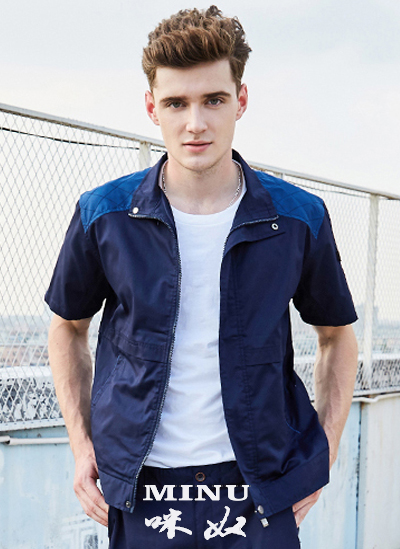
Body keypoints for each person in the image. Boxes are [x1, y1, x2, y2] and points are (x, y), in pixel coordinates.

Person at [45, 6, 358, 548]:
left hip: (258, 485)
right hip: (142, 487)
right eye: (176, 103)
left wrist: (323, 454)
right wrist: (81, 446)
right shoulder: (105, 214)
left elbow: (336, 335)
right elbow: (67, 327)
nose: (195, 123)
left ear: (241, 100)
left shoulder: (298, 217)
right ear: (152, 107)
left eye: (213, 100)